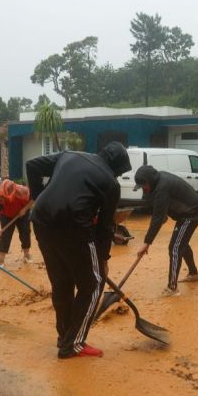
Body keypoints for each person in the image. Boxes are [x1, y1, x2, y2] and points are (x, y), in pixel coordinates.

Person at [26, 141, 131, 359]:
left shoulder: (69, 155)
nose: (118, 176)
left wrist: (38, 197)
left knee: (62, 282)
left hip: (41, 220)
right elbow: (104, 227)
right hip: (75, 227)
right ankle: (73, 344)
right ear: (117, 167)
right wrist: (103, 261)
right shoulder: (111, 183)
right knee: (93, 284)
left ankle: (64, 336)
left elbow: (32, 165)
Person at [134, 165, 198, 296]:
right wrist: (163, 215)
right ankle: (194, 274)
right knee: (181, 242)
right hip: (186, 212)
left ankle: (172, 288)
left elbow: (157, 219)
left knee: (174, 247)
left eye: (144, 186)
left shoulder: (162, 188)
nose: (143, 190)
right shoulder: (156, 182)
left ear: (150, 181)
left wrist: (146, 243)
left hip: (192, 213)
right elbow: (155, 207)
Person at [0, 179, 32, 267]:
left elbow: (33, 199)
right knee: (5, 235)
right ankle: (1, 260)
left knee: (25, 232)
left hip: (22, 213)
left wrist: (24, 209)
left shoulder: (23, 191)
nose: (4, 197)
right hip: (6, 215)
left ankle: (26, 255)